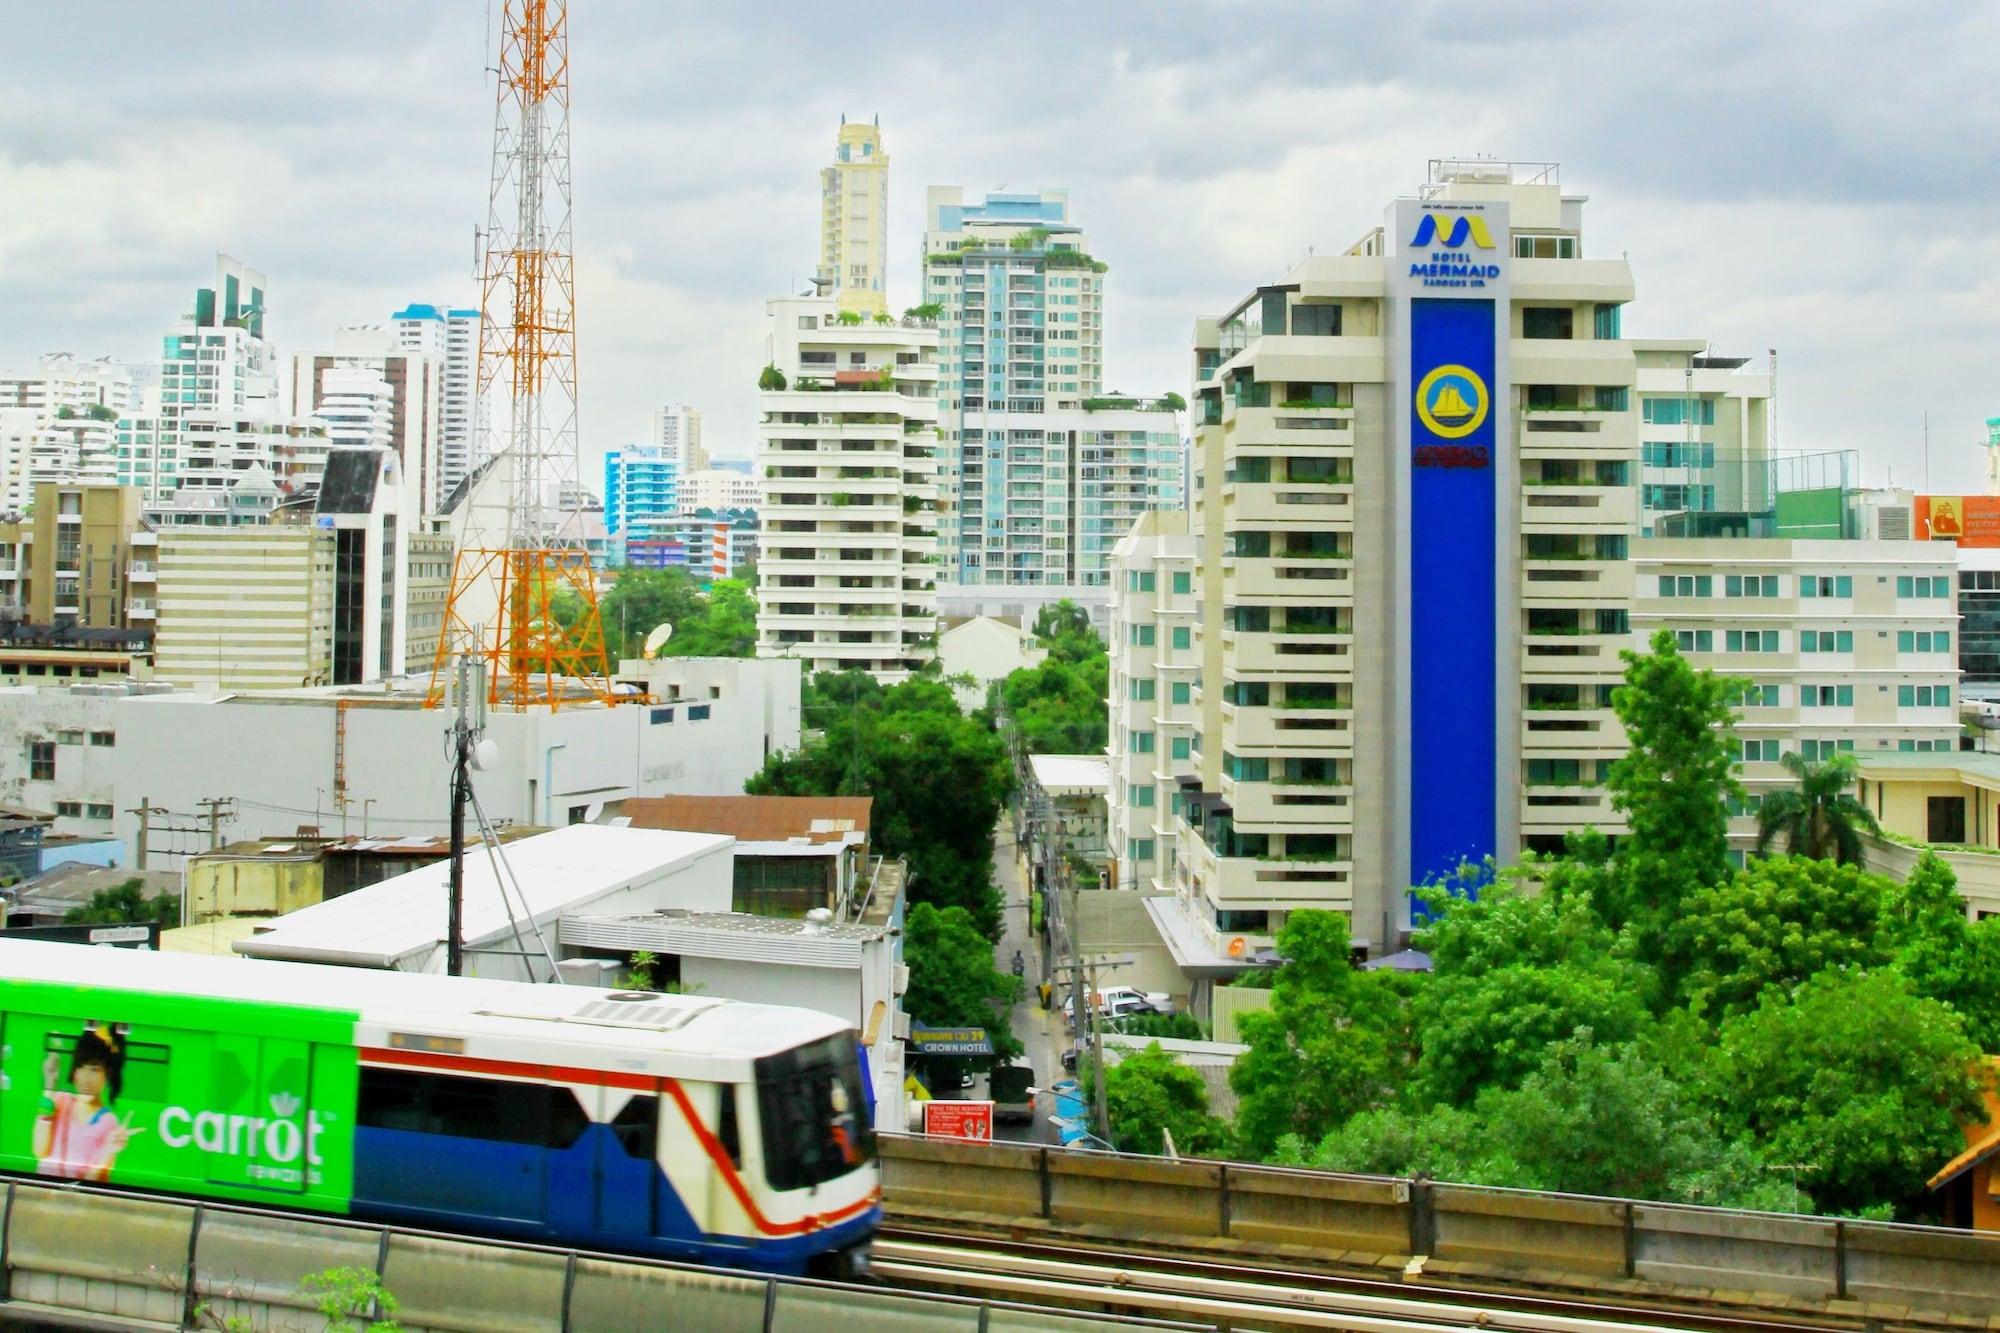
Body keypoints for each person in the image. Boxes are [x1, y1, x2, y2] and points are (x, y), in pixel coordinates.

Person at [35, 1023, 139, 1182]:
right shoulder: (59, 1101)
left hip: (70, 1196)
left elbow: (91, 1182)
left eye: (95, 1070)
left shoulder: (108, 1122)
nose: (86, 1079)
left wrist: (109, 1150)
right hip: (42, 1190)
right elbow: (40, 1150)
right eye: (80, 1067)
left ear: (107, 1074)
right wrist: (49, 1084)